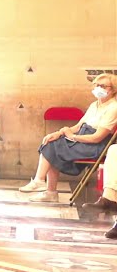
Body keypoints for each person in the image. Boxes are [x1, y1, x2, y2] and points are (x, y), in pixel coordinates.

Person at [20, 73, 117, 203]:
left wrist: (73, 137)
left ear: (113, 89)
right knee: (51, 141)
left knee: (53, 147)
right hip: (82, 138)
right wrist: (59, 133)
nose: (98, 88)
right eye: (96, 85)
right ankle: (47, 189)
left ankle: (41, 183)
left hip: (95, 146)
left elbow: (97, 138)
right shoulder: (95, 105)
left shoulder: (113, 107)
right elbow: (78, 126)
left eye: (103, 86)